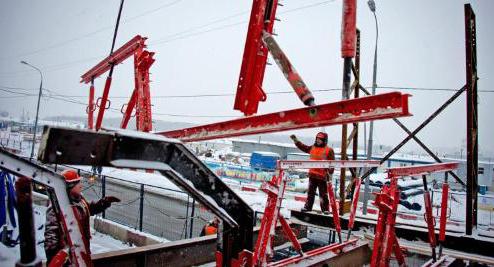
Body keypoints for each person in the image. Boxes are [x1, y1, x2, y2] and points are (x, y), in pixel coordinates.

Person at [44, 169, 120, 265]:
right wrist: (57, 261)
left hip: (82, 250)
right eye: (78, 183)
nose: (81, 185)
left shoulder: (79, 200)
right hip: (69, 258)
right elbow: (51, 240)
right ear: (70, 187)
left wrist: (104, 203)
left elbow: (88, 210)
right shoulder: (56, 208)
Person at [290, 132, 335, 214]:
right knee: (310, 193)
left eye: (320, 139)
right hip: (312, 175)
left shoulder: (329, 150)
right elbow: (304, 147)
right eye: (317, 139)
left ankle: (325, 209)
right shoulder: (312, 148)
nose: (318, 141)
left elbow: (332, 163)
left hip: (322, 176)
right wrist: (296, 141)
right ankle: (308, 207)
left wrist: (330, 172)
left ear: (324, 141)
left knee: (323, 194)